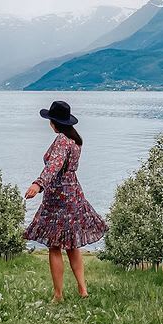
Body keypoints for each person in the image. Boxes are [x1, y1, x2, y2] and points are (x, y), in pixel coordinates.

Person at [24, 100, 108, 301]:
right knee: (72, 245)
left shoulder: (62, 141)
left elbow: (54, 166)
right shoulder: (75, 140)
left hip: (58, 199)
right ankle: (82, 290)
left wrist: (38, 184)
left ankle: (58, 295)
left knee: (55, 246)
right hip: (74, 195)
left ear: (54, 122)